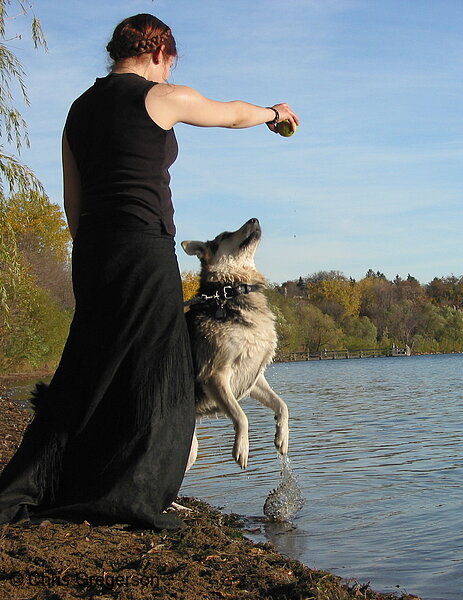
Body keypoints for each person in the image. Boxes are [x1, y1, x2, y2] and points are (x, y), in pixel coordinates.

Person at [0, 13, 298, 530]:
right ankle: (127, 493)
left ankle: (42, 480)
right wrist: (274, 112)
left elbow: (74, 199)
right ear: (159, 52)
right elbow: (228, 114)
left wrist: (93, 251)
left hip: (94, 250)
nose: (168, 74)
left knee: (91, 368)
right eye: (170, 64)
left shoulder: (78, 109)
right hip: (142, 246)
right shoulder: (159, 95)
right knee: (157, 371)